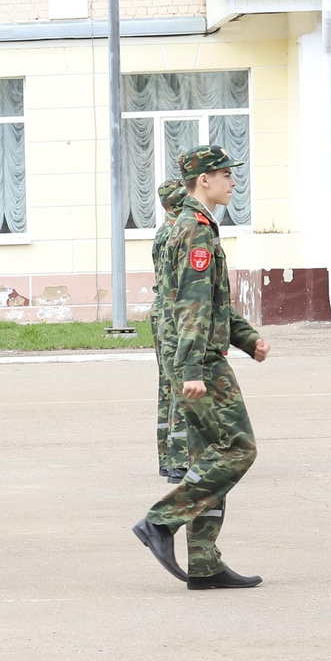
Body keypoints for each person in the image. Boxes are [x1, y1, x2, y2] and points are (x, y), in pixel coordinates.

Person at [132, 146, 269, 591]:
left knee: (206, 458)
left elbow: (213, 303)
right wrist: (192, 369)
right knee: (237, 449)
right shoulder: (195, 231)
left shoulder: (196, 225)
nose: (233, 182)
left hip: (197, 354)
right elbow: (191, 305)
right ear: (203, 180)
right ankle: (160, 522)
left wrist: (248, 340)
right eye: (226, 174)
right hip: (199, 361)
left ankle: (205, 563)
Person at [153, 178, 189, 479]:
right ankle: (180, 460)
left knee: (168, 387)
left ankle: (168, 457)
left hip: (164, 312)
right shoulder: (176, 232)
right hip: (175, 315)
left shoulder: (166, 229)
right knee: (180, 386)